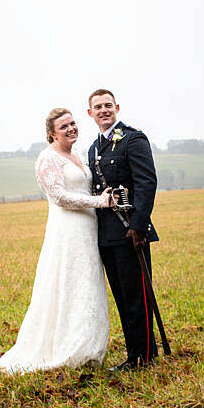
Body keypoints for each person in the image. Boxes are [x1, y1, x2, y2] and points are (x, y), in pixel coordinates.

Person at [0, 108, 117, 375]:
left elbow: (85, 187)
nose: (71, 128)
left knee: (86, 282)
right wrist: (99, 202)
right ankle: (64, 347)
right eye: (64, 127)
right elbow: (59, 196)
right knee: (67, 283)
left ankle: (88, 347)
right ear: (51, 134)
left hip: (89, 228)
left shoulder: (79, 155)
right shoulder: (47, 159)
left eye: (73, 123)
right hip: (67, 231)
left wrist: (104, 196)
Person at [85, 89, 160, 370]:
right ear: (89, 113)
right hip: (106, 236)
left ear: (116, 107)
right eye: (97, 107)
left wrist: (139, 226)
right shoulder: (94, 148)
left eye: (108, 105)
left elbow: (146, 183)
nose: (104, 110)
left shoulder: (133, 139)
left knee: (136, 296)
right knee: (121, 296)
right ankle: (135, 355)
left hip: (130, 232)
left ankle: (144, 357)